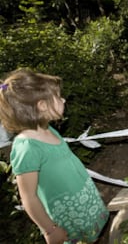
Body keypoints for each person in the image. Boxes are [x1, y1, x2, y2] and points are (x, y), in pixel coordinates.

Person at [0, 69, 109, 244]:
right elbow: (29, 197)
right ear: (42, 106)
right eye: (58, 97)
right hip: (68, 217)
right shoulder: (27, 148)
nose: (64, 100)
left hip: (83, 203)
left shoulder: (47, 130)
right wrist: (49, 230)